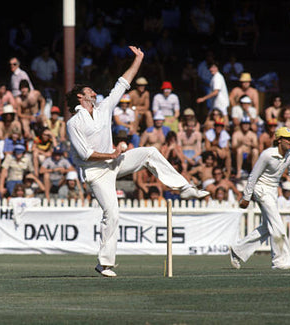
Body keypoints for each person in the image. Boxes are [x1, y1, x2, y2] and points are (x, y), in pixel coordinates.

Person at [65, 46, 208, 277]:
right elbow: (84, 154)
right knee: (112, 213)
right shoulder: (73, 123)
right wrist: (111, 154)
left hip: (114, 162)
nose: (94, 92)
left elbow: (123, 82)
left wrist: (139, 59)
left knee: (150, 152)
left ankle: (184, 189)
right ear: (81, 96)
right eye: (89, 90)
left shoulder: (103, 108)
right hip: (96, 173)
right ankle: (104, 264)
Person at [230, 127, 290, 270]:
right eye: (287, 138)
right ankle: (280, 261)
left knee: (267, 227)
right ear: (278, 140)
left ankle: (238, 250)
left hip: (273, 191)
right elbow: (253, 176)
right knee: (277, 225)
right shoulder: (267, 155)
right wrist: (246, 197)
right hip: (261, 190)